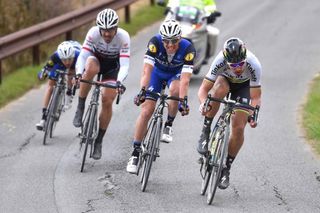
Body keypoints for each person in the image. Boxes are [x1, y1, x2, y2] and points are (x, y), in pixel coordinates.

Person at [126, 19, 196, 174]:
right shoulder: (155, 42)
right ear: (161, 39)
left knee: (176, 90)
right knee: (146, 111)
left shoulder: (188, 48)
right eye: (166, 41)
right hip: (156, 74)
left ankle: (168, 125)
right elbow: (147, 70)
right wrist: (142, 91)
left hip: (175, 75)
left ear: (180, 38)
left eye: (174, 41)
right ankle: (135, 153)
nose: (170, 45)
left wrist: (183, 102)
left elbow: (185, 80)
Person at [197, 37, 262, 189]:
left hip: (244, 87)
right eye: (233, 65)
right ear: (226, 61)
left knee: (239, 127)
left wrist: (252, 114)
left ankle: (226, 168)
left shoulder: (254, 64)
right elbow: (203, 89)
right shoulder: (219, 60)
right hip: (225, 80)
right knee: (219, 89)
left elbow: (256, 96)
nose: (238, 68)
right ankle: (205, 131)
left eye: (241, 64)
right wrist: (203, 104)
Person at [73, 8, 130, 160]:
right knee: (90, 68)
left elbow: (124, 64)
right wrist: (78, 73)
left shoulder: (123, 37)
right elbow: (83, 55)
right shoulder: (92, 33)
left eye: (110, 30)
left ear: (116, 28)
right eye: (103, 30)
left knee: (107, 100)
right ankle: (80, 105)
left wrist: (119, 82)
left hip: (112, 68)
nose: (106, 34)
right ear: (99, 28)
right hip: (96, 60)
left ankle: (98, 141)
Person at [36, 40, 81, 130]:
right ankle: (43, 117)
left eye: (69, 59)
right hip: (59, 63)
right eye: (65, 60)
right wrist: (43, 74)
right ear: (60, 57)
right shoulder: (55, 56)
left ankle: (69, 94)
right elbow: (46, 68)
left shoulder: (79, 55)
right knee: (50, 86)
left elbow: (83, 70)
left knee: (72, 74)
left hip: (76, 63)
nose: (67, 62)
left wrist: (78, 80)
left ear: (72, 56)